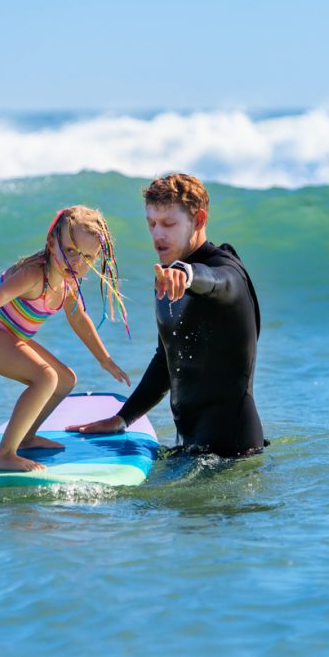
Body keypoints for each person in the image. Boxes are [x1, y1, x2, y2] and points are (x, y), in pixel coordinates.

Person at [66, 174, 265, 456]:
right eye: (152, 224)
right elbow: (167, 360)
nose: (158, 234)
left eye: (169, 224)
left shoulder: (227, 272)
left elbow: (217, 282)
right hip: (190, 448)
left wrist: (185, 274)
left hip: (233, 453)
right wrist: (123, 418)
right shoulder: (167, 274)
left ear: (198, 220)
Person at [0, 205, 131, 472]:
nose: (77, 262)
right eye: (70, 251)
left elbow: (79, 320)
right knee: (45, 377)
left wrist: (104, 359)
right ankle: (4, 454)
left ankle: (25, 438)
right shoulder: (34, 274)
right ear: (52, 242)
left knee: (64, 380)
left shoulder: (69, 283)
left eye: (87, 257)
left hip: (8, 335)